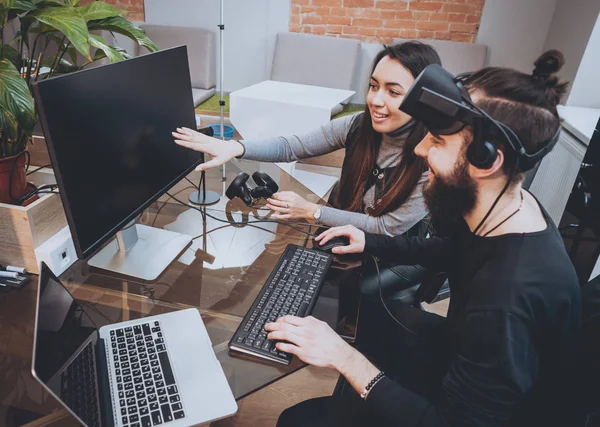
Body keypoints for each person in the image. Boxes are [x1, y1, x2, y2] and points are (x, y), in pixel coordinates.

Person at [264, 50, 582, 426]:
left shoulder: (505, 302)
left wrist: (343, 358)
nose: (419, 149)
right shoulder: (513, 206)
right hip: (461, 355)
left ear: (486, 160)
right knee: (378, 327)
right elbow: (455, 249)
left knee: (296, 420)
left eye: (437, 142)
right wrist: (373, 242)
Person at [173, 42, 441, 236]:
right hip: (337, 236)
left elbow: (386, 228)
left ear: (422, 99)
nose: (376, 100)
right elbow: (291, 146)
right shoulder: (358, 125)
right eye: (373, 86)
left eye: (393, 92)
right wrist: (235, 146)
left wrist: (313, 211)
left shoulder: (433, 159)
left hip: (384, 256)